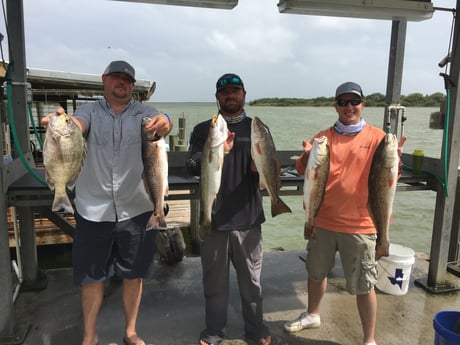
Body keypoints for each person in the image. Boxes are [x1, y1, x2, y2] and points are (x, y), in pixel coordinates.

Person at [41, 60, 172, 345]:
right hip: (92, 209)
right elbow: (76, 125)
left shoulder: (143, 113)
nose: (121, 83)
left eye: (127, 79)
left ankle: (131, 332)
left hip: (137, 208)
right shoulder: (89, 111)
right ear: (104, 80)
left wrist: (166, 121)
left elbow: (162, 121)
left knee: (134, 275)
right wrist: (59, 123)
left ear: (132, 85)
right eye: (116, 78)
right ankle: (89, 336)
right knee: (91, 277)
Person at [283, 82, 405, 345]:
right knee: (316, 273)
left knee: (364, 284)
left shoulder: (378, 139)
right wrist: (305, 156)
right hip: (323, 220)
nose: (349, 107)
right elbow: (303, 170)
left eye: (354, 102)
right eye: (343, 102)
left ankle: (369, 339)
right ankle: (312, 314)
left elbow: (389, 180)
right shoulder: (323, 137)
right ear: (335, 105)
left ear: (363, 104)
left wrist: (396, 159)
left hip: (362, 224)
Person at [186, 73, 271, 345]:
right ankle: (214, 330)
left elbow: (269, 165)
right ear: (217, 97)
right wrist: (220, 150)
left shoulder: (257, 128)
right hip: (214, 219)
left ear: (244, 94)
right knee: (214, 284)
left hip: (248, 218)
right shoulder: (204, 130)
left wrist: (261, 168)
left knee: (252, 283)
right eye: (225, 92)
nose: (230, 96)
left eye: (235, 91)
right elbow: (192, 164)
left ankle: (255, 328)